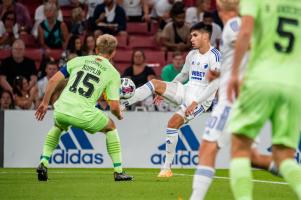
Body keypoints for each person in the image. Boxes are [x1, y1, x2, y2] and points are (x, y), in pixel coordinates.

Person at [189, 1, 278, 199]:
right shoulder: (244, 25)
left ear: (220, 8)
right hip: (250, 99)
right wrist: (220, 73)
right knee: (252, 157)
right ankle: (293, 171)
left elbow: (250, 43)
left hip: (234, 100)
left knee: (208, 147)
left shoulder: (235, 25)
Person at [122, 22, 220, 177]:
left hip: (201, 99)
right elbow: (183, 75)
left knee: (172, 124)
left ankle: (166, 168)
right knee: (155, 84)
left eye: (195, 35)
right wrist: (166, 89)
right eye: (191, 35)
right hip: (187, 89)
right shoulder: (192, 54)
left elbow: (214, 85)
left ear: (206, 36)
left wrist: (195, 102)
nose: (191, 38)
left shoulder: (215, 56)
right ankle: (124, 103)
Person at [226, 0, 301, 199]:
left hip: (262, 78)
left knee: (240, 147)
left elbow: (245, 32)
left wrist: (233, 74)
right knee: (285, 157)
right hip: (293, 83)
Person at [35, 34, 133, 182]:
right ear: (114, 53)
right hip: (83, 112)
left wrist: (44, 102)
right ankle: (118, 171)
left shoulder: (78, 60)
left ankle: (43, 162)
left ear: (95, 48)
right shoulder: (113, 73)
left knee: (58, 126)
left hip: (62, 108)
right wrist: (119, 115)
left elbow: (54, 80)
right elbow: (113, 106)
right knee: (111, 127)